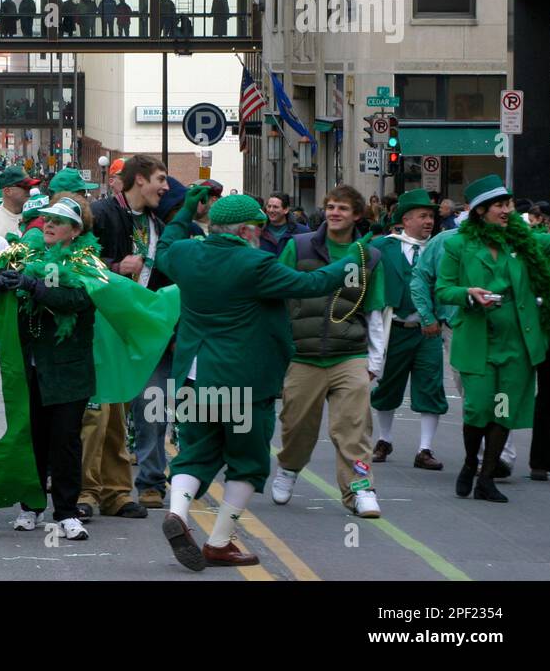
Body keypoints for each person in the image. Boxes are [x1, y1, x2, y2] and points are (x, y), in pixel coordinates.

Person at [154, 188, 354, 571]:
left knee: (195, 450)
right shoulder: (255, 264)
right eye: (258, 229)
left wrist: (185, 209)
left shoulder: (184, 255)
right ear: (246, 230)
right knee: (247, 461)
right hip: (242, 380)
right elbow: (311, 286)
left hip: (195, 375)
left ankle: (178, 513)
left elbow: (167, 242)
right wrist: (354, 262)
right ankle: (219, 540)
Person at [272, 184, 388, 519]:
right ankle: (289, 468)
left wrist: (374, 362)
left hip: (349, 353)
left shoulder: (371, 257)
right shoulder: (299, 246)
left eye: (343, 208)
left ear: (357, 215)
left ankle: (361, 489)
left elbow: (376, 312)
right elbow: (278, 295)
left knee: (355, 426)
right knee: (296, 425)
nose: (335, 213)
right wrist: (280, 349)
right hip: (303, 354)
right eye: (331, 207)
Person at [437, 175, 550, 503]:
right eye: (500, 206)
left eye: (509, 205)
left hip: (515, 346)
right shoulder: (458, 245)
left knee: (502, 411)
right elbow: (443, 288)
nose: (507, 211)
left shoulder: (523, 242)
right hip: (478, 344)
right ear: (481, 211)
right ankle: (470, 462)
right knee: (477, 408)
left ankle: (486, 478)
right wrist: (469, 294)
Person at [0, 195, 97, 540]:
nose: (48, 224)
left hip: (68, 370)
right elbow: (9, 299)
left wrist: (31, 286)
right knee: (32, 439)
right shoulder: (26, 257)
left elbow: (76, 299)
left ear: (76, 231)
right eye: (47, 219)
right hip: (30, 367)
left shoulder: (88, 262)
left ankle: (66, 512)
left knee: (64, 442)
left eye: (58, 221)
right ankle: (30, 507)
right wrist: (2, 285)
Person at [92, 155, 172, 510]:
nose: (165, 187)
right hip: (107, 328)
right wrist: (113, 266)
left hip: (144, 329)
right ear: (139, 180)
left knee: (152, 405)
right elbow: (78, 259)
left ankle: (152, 483)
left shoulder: (159, 224)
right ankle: (99, 489)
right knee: (105, 414)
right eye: (160, 179)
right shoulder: (102, 213)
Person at [367, 189, 447, 470]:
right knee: (388, 384)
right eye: (423, 216)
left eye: (431, 217)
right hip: (395, 326)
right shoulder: (383, 247)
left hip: (429, 330)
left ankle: (425, 448)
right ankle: (384, 439)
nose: (429, 221)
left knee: (431, 386)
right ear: (405, 219)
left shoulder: (439, 248)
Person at [0, 166, 37, 240]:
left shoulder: (37, 216)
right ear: (7, 191)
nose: (30, 190)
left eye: (31, 186)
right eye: (26, 187)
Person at [260, 192, 309, 256]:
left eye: (275, 207)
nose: (271, 210)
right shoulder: (259, 231)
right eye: (269, 206)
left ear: (286, 210)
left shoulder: (302, 232)